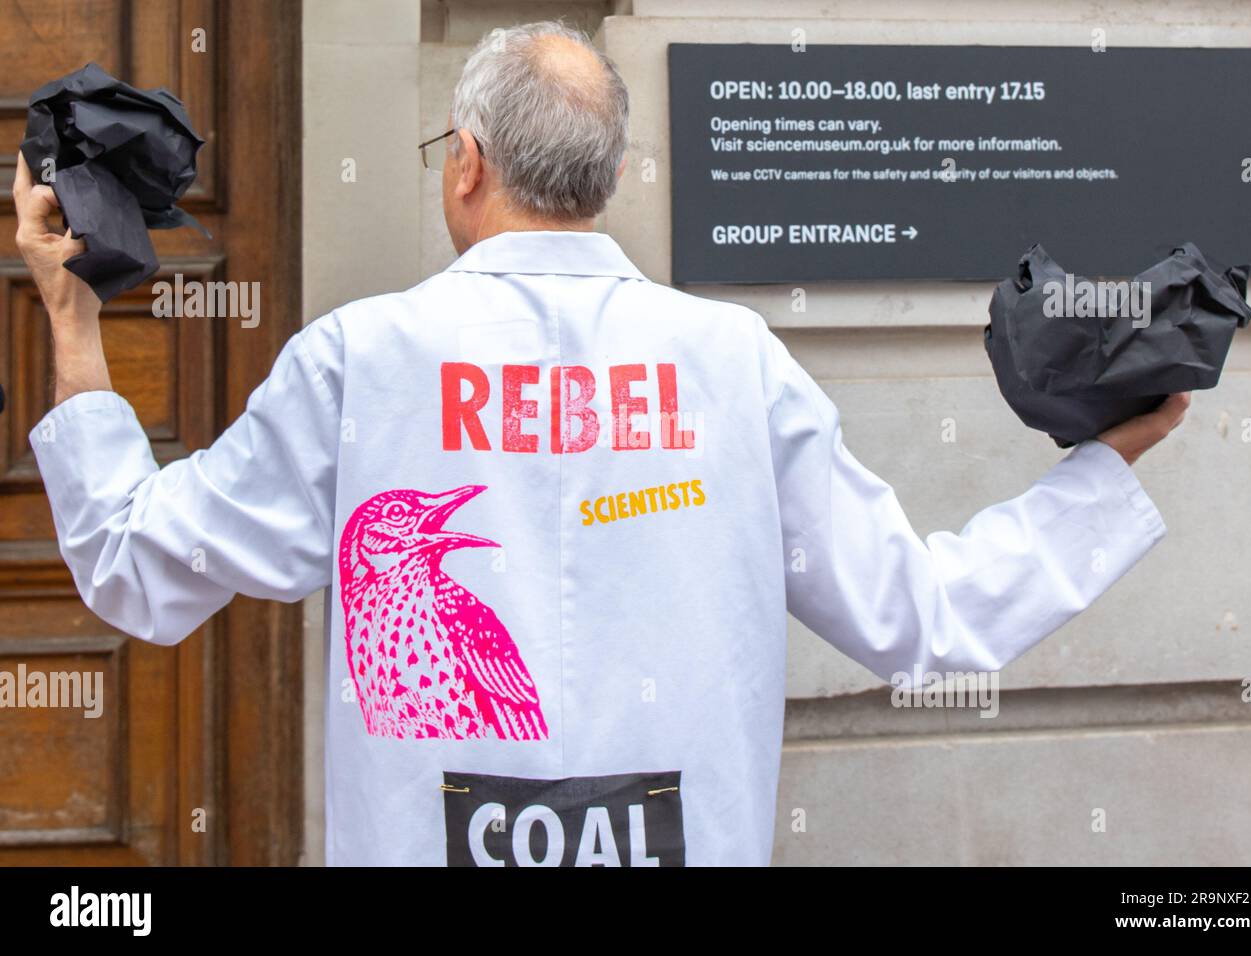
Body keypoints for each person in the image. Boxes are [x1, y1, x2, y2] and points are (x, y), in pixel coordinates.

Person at [13, 21, 1187, 867]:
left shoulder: (360, 360)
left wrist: (72, 317)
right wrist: (1105, 463)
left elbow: (139, 564)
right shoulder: (733, 363)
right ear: (611, 181)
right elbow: (928, 622)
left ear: (465, 164)